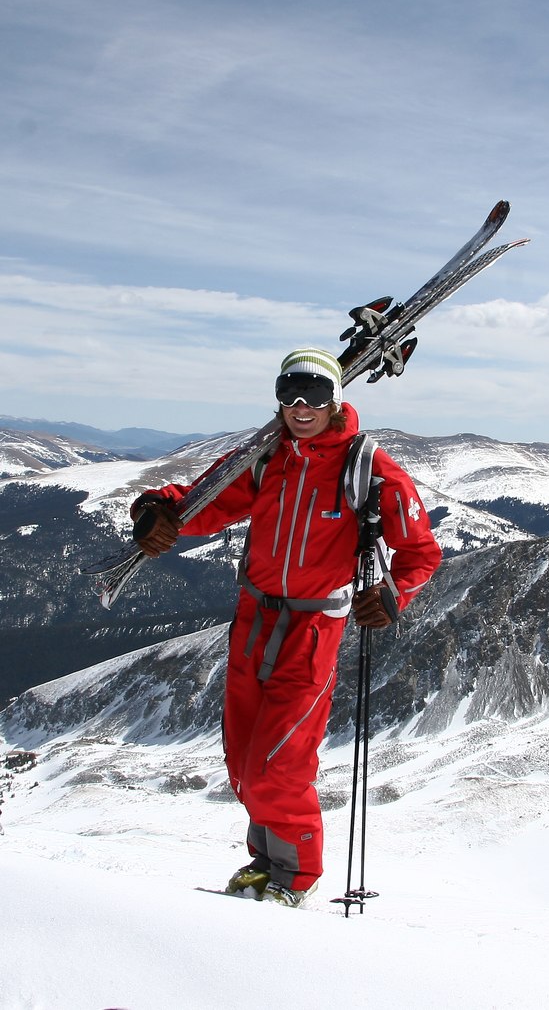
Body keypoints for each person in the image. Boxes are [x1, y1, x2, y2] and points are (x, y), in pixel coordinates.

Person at [130, 347, 441, 907]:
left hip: (314, 625)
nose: (300, 407)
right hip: (253, 617)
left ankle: (295, 878)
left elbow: (420, 550)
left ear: (336, 399)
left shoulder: (366, 466)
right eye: (289, 394)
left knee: (279, 760)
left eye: (314, 396)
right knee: (244, 761)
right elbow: (205, 504)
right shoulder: (266, 458)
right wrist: (155, 508)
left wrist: (393, 595)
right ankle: (267, 861)